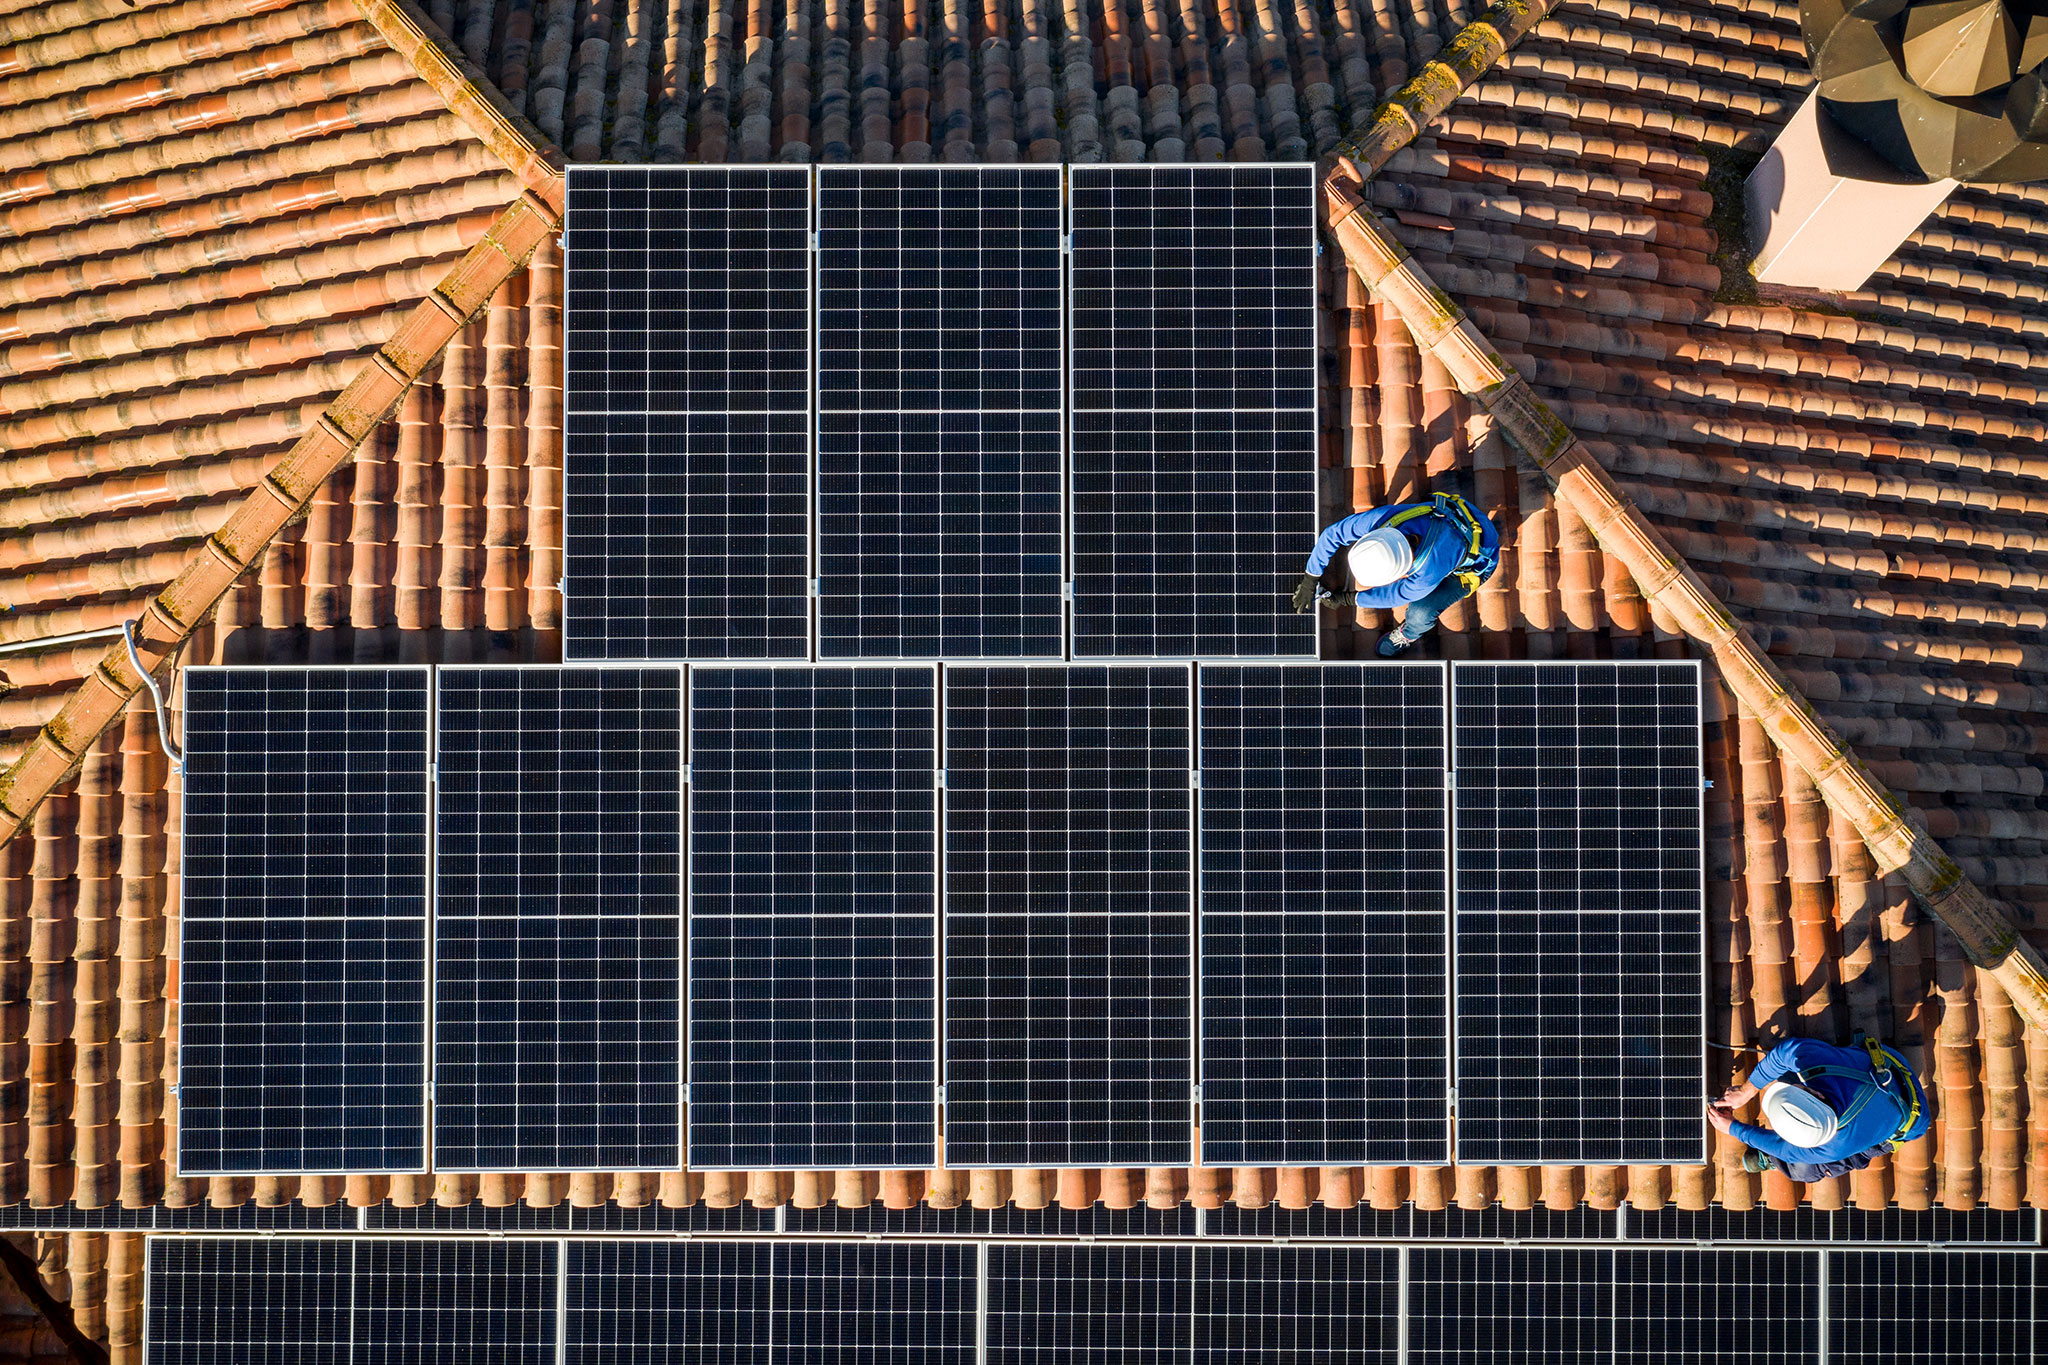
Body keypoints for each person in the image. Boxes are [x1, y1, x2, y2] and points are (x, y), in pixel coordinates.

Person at [1290, 488, 1500, 656]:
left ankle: (1407, 635)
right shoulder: (1382, 518)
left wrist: (1348, 599)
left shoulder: (1426, 573)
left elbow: (1395, 595)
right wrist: (1311, 577)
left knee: (1420, 613)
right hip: (1457, 513)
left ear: (1401, 573)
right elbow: (1332, 535)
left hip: (1480, 557)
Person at [1707, 1034, 1931, 1180]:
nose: (1796, 1085)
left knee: (1803, 1169)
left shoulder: (1832, 1149)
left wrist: (1734, 1128)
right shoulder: (1816, 1063)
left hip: (1909, 1117)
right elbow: (1784, 1053)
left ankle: (1773, 1164)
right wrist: (1745, 1094)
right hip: (1895, 1073)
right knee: (1785, 1072)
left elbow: (1782, 1150)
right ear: (1817, 1093)